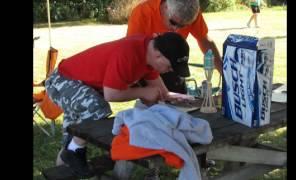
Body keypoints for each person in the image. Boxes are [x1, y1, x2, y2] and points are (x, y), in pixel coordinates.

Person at [45, 32, 191, 178]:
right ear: (159, 55)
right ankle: (73, 151)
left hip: (79, 87)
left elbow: (163, 94)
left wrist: (181, 98)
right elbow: (111, 94)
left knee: (71, 141)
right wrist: (142, 92)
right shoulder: (129, 53)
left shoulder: (149, 56)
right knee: (97, 108)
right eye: (170, 66)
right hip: (61, 81)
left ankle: (69, 153)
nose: (171, 71)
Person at [126, 0, 223, 93]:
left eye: (183, 26)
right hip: (146, 68)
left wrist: (224, 73)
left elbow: (205, 42)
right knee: (150, 103)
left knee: (179, 102)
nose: (175, 29)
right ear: (166, 6)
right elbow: (133, 53)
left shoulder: (191, 11)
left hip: (172, 65)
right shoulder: (142, 13)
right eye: (173, 22)